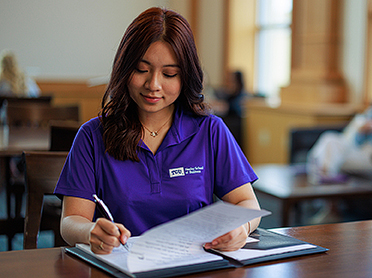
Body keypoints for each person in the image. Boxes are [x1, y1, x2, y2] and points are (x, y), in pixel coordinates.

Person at [54, 7, 261, 255]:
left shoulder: (210, 130)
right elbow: (71, 221)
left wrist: (242, 227)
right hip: (120, 266)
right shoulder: (92, 135)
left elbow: (245, 203)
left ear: (186, 77)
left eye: (169, 74)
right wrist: (90, 231)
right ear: (125, 69)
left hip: (193, 266)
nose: (153, 85)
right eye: (142, 70)